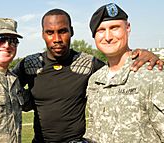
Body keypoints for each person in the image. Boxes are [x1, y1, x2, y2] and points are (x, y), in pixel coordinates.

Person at [13, 8, 163, 143]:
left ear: (71, 31)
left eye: (63, 31)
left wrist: (145, 55)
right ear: (43, 34)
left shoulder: (88, 64)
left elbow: (118, 67)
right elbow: (3, 81)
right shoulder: (30, 64)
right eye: (50, 32)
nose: (57, 39)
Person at [85, 3, 164, 142]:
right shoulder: (95, 81)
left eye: (114, 28)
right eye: (101, 30)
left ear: (128, 28)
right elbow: (93, 130)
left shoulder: (152, 74)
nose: (108, 36)